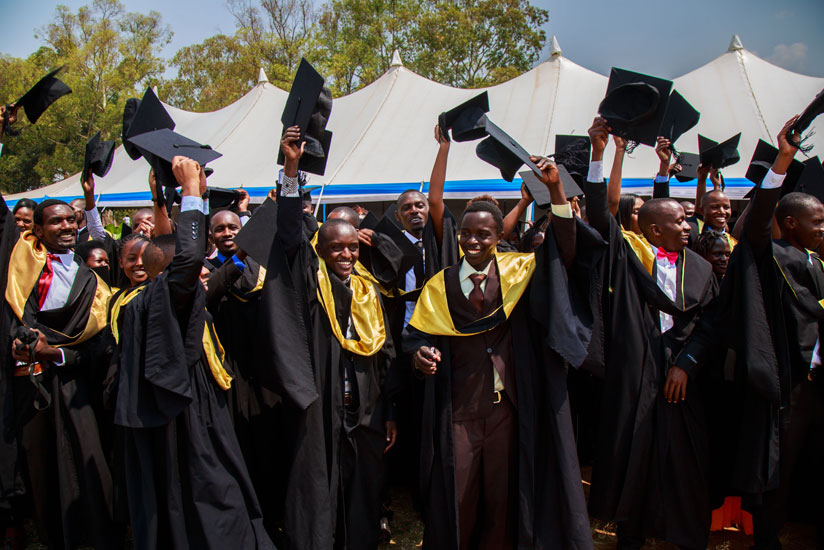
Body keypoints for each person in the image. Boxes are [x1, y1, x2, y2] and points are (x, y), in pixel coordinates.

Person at [403, 154, 597, 550]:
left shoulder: (518, 274)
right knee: (459, 496)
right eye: (467, 234)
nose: (474, 241)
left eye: (484, 235)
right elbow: (413, 337)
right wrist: (419, 352)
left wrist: (556, 190)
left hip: (507, 407)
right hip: (459, 410)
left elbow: (565, 247)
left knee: (503, 497)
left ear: (498, 237)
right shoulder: (439, 287)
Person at [112, 155, 273, 549]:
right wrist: (190, 194)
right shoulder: (156, 300)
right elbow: (182, 259)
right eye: (195, 272)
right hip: (186, 416)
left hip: (189, 411)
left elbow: (188, 264)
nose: (203, 275)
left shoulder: (159, 299)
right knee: (215, 495)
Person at [677, 116, 823, 550]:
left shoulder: (817, 263)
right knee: (778, 465)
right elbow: (759, 221)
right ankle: (767, 539)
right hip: (787, 383)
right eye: (816, 222)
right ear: (792, 224)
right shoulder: (770, 256)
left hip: (819, 384)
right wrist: (782, 160)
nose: (822, 228)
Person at [255, 126, 396, 550]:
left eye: (352, 248)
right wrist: (291, 167)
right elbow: (289, 234)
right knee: (319, 480)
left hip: (366, 405)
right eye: (336, 249)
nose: (346, 255)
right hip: (322, 400)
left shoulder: (369, 289)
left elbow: (385, 356)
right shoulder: (311, 281)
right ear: (321, 250)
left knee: (363, 482)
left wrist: (389, 409)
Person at [583, 117, 718, 550]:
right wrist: (602, 153)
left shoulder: (701, 268)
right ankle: (631, 533)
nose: (688, 226)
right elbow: (600, 213)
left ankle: (685, 534)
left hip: (683, 376)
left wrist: (686, 364)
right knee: (634, 456)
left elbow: (710, 322)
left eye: (687, 221)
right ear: (654, 231)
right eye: (679, 222)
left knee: (684, 461)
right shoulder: (630, 260)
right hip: (636, 373)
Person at [2, 194, 115, 549]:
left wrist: (58, 354)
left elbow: (100, 347)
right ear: (37, 229)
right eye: (55, 221)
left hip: (76, 385)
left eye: (70, 220)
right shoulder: (20, 270)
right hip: (30, 386)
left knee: (86, 459)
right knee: (42, 466)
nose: (65, 226)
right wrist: (20, 344)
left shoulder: (93, 282)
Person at [203, 206, 283, 535]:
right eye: (219, 229)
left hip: (264, 368)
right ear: (210, 236)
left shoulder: (263, 267)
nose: (227, 233)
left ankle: (274, 512)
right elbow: (208, 297)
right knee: (237, 444)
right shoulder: (205, 270)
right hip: (226, 368)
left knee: (270, 440)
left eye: (233, 226)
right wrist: (237, 258)